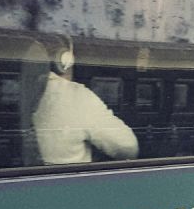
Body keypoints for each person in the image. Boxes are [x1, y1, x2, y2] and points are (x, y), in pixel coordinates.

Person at [26, 34, 138, 165]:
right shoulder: (76, 96)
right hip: (70, 183)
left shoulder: (23, 92)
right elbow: (128, 147)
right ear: (65, 61)